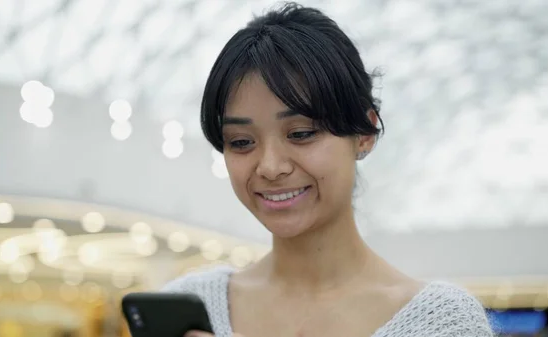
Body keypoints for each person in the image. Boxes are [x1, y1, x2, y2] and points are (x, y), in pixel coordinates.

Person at [162, 2, 494, 337]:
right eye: (241, 142)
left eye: (301, 134)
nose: (270, 167)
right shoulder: (189, 305)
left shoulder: (441, 324)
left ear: (364, 133)